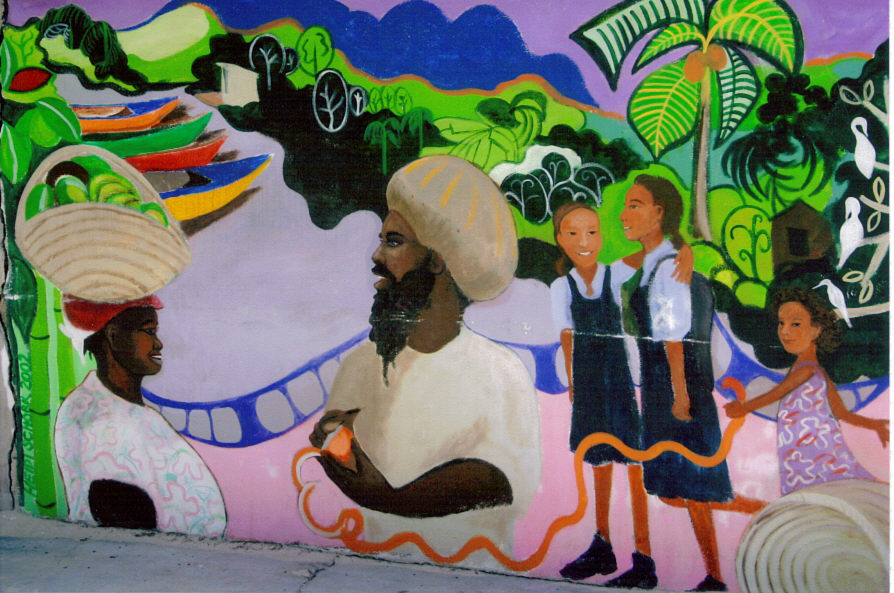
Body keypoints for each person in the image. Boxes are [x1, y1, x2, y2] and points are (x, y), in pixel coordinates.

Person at [309, 155, 541, 558]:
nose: (376, 257)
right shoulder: (361, 365)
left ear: (437, 260)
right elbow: (338, 449)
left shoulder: (500, 372)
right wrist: (332, 439)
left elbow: (500, 483)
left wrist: (386, 498)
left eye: (393, 241)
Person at [550, 201, 691, 583]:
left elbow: (654, 252)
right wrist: (573, 384)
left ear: (601, 236)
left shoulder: (614, 274)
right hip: (588, 385)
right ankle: (603, 546)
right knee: (598, 460)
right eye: (573, 233)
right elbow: (566, 337)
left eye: (592, 232)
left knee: (632, 463)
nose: (584, 241)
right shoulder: (561, 287)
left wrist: (685, 249)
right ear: (560, 239)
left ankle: (643, 555)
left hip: (618, 381)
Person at [616, 175, 732, 592]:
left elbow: (674, 338)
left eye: (635, 205)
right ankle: (711, 572)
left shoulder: (668, 269)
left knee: (693, 485)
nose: (624, 214)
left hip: (675, 388)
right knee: (673, 485)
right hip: (665, 387)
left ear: (659, 212)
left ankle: (715, 576)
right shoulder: (658, 263)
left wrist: (680, 396)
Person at [54, 295, 226, 536]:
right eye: (149, 331)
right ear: (113, 337)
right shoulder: (94, 417)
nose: (158, 344)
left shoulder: (112, 408)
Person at [724, 286, 888, 494]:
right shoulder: (816, 372)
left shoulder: (807, 370)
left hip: (814, 455)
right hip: (804, 453)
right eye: (781, 323)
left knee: (822, 496)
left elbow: (777, 393)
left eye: (795, 324)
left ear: (816, 330)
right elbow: (842, 413)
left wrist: (744, 408)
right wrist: (875, 425)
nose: (785, 331)